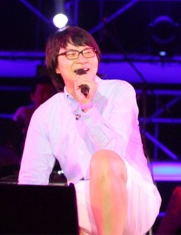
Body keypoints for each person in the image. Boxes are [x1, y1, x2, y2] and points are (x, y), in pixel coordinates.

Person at [18, 26, 161, 235]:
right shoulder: (45, 114)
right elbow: (32, 181)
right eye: (71, 53)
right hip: (83, 196)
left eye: (87, 52)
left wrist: (88, 108)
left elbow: (114, 153)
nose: (82, 59)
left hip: (132, 196)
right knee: (52, 203)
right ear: (56, 66)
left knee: (103, 160)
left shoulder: (119, 91)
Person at [13, 75, 56, 144]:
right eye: (42, 92)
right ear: (32, 96)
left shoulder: (59, 116)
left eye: (49, 93)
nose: (46, 96)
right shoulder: (24, 113)